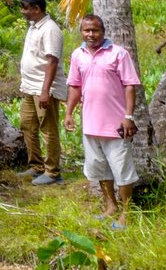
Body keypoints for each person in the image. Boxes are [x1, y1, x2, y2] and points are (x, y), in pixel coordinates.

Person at [65, 13, 141, 229]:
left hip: (116, 126)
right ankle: (111, 206)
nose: (91, 34)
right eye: (86, 30)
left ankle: (126, 213)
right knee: (99, 169)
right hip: (91, 125)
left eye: (95, 30)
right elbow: (75, 86)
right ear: (81, 32)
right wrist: (69, 113)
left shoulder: (119, 54)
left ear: (103, 31)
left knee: (122, 172)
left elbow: (130, 85)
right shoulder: (77, 55)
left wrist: (128, 117)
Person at [17, 0, 66, 184]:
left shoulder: (50, 29)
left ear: (36, 9)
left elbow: (52, 61)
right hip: (30, 87)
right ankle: (36, 165)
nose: (22, 11)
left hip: (44, 88)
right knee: (27, 125)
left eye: (25, 8)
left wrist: (45, 91)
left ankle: (53, 172)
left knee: (48, 128)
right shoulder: (34, 27)